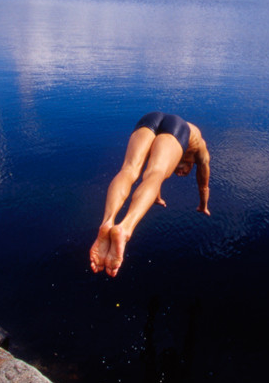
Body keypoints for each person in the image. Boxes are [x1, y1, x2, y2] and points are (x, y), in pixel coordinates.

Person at [90, 112, 211, 277]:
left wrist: (158, 197)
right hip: (178, 127)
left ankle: (107, 222)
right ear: (190, 164)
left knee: (129, 170)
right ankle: (125, 229)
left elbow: (154, 179)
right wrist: (203, 205)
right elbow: (203, 185)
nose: (180, 172)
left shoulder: (181, 147)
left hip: (150, 119)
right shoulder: (201, 150)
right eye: (182, 170)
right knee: (156, 173)